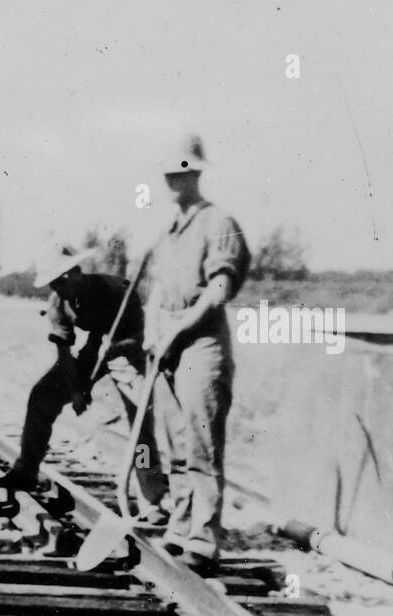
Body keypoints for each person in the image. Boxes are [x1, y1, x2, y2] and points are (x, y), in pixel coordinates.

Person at [0, 240, 167, 521]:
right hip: (89, 351)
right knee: (42, 396)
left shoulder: (118, 290)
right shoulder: (58, 302)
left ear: (76, 272)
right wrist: (76, 391)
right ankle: (26, 470)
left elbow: (140, 339)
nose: (59, 288)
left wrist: (117, 348)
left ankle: (151, 498)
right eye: (53, 284)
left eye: (62, 280)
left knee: (140, 428)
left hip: (125, 352)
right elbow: (64, 352)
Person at [143, 133, 250, 571]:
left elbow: (219, 289)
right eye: (169, 170)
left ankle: (204, 537)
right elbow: (155, 291)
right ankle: (180, 525)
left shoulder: (218, 222)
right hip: (166, 343)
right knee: (175, 441)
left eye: (182, 170)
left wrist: (178, 331)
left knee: (202, 441)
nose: (173, 178)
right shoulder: (168, 233)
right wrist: (155, 334)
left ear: (197, 173)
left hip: (200, 342)